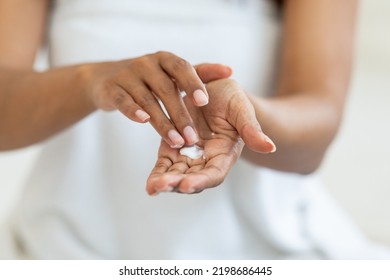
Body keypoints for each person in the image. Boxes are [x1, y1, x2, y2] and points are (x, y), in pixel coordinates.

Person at [0, 0, 388, 259]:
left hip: (266, 251)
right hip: (65, 248)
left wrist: (246, 116)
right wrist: (92, 80)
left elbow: (316, 135)